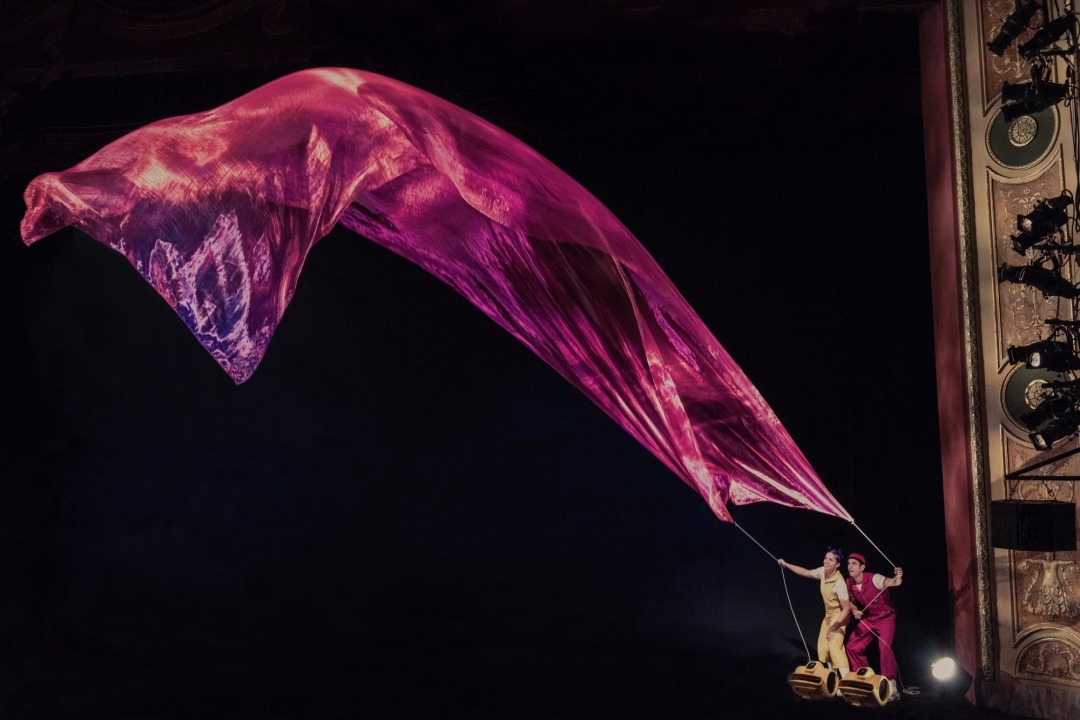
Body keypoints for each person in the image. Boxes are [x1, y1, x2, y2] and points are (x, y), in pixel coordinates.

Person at [778, 548, 851, 678]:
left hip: (840, 616)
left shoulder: (839, 583)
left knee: (834, 645)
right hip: (828, 615)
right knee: (823, 648)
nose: (826, 562)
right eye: (825, 558)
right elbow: (805, 572)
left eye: (831, 560)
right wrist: (786, 564)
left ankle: (847, 680)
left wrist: (834, 627)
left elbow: (846, 609)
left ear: (837, 564)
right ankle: (833, 680)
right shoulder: (822, 572)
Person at [844, 552, 903, 701]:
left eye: (854, 564)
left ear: (862, 567)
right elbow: (851, 599)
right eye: (849, 563)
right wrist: (854, 610)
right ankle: (864, 679)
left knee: (884, 647)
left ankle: (892, 689)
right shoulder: (849, 582)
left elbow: (895, 582)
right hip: (869, 618)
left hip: (886, 617)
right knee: (852, 646)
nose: (850, 566)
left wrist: (898, 575)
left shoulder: (874, 578)